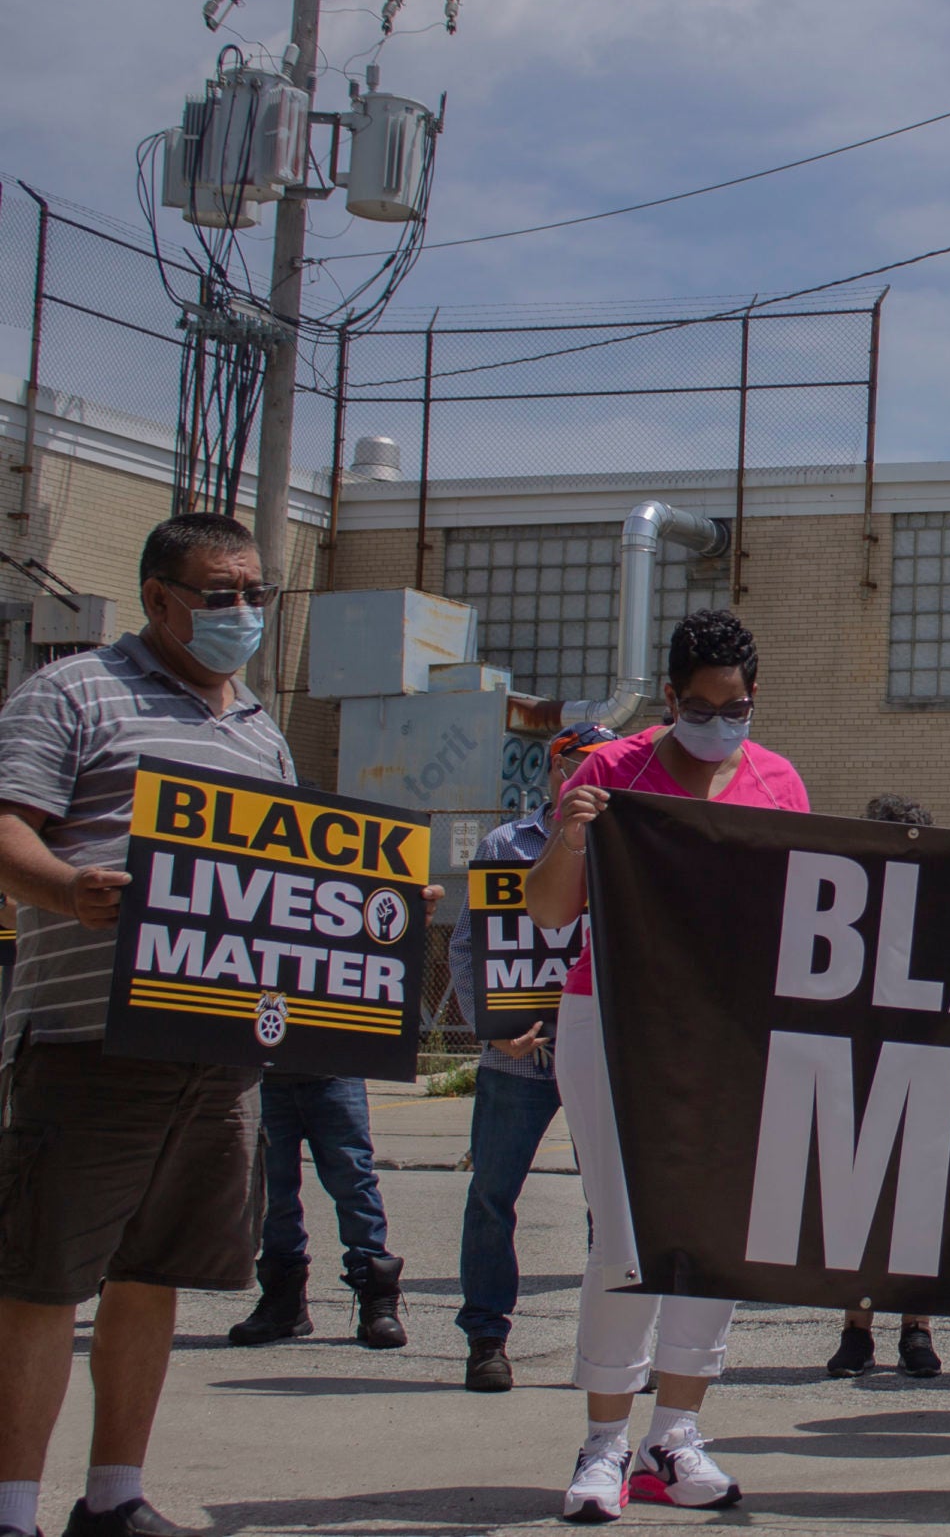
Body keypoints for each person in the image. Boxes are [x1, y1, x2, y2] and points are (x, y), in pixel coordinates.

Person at [0, 512, 434, 1537]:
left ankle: (114, 1497)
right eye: (220, 594)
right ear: (159, 599)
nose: (241, 612)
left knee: (156, 1273)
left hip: (216, 1051)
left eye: (255, 594)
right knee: (42, 1278)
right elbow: (6, 823)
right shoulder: (69, 695)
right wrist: (67, 890)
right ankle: (13, 1509)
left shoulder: (256, 730)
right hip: (86, 1042)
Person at [526, 608, 812, 1524]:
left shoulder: (778, 779)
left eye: (736, 705)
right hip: (615, 1015)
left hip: (731, 1025)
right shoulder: (613, 770)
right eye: (700, 704)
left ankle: (674, 1433)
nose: (720, 720)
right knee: (625, 1232)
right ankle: (604, 1440)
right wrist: (571, 833)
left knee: (713, 1232)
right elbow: (547, 914)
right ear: (669, 696)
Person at [443, 722, 616, 1395]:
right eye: (575, 764)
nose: (587, 776)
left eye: (601, 764)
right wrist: (488, 1028)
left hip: (599, 1053)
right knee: (492, 1195)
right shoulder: (505, 845)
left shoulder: (630, 844)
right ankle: (487, 1337)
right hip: (517, 1057)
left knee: (610, 1205)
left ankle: (610, 1344)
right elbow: (468, 944)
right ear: (553, 771)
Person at [825, 795, 944, 1382]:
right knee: (859, 1210)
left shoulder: (941, 911)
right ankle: (856, 1329)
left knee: (918, 1206)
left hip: (923, 1071)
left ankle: (917, 1329)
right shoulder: (844, 910)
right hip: (858, 1068)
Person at [226, 1074, 409, 1352]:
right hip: (269, 1070)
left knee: (353, 1181)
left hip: (336, 1069)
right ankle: (283, 1302)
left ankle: (377, 1300)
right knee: (273, 1187)